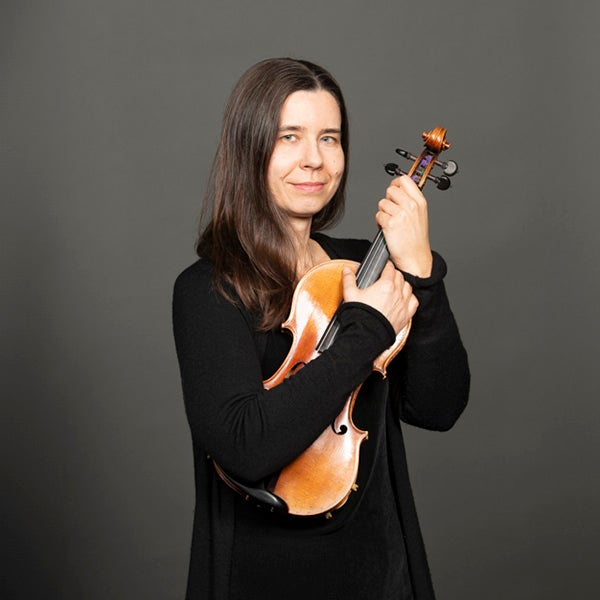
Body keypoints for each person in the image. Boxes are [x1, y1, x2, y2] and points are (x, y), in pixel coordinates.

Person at [172, 57, 470, 600]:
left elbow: (438, 407)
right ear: (250, 148)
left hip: (383, 570)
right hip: (265, 576)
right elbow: (245, 445)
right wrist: (367, 329)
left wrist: (422, 272)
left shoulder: (367, 268)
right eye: (290, 136)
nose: (314, 159)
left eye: (329, 138)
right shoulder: (209, 289)